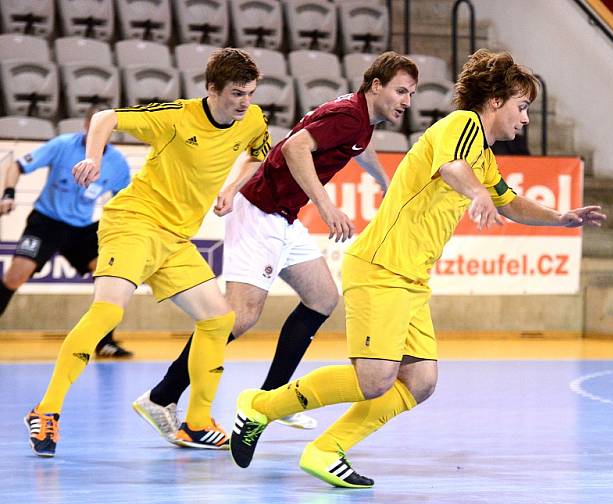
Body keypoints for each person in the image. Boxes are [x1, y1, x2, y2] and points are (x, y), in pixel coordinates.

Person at [228, 49, 606, 488]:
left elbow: (510, 201)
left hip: (410, 279)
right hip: (380, 267)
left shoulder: (483, 156)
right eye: (521, 107)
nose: (524, 119)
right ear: (496, 101)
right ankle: (260, 405)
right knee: (374, 378)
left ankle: (326, 450)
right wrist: (476, 195)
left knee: (421, 380)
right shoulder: (460, 126)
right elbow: (451, 168)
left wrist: (560, 217)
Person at [131, 51, 418, 444]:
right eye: (401, 91)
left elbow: (357, 147)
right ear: (376, 86)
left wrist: (384, 182)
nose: (406, 101)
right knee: (239, 317)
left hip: (283, 215)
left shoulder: (360, 120)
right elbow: (294, 148)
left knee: (321, 298)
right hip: (260, 211)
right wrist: (325, 204)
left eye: (411, 94)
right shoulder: (349, 115)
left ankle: (271, 400)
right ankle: (161, 397)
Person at [24, 48, 271, 457]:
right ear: (212, 89)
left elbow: (259, 154)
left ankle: (195, 422)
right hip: (135, 221)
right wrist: (93, 157)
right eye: (235, 93)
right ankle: (46, 410)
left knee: (218, 319)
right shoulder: (175, 116)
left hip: (175, 239)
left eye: (249, 92)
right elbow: (106, 118)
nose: (245, 102)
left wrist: (232, 189)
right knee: (108, 312)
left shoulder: (253, 119)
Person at [0, 108, 133, 357]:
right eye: (91, 127)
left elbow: (125, 200)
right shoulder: (62, 145)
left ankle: (104, 342)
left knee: (110, 274)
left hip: (82, 227)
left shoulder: (117, 164)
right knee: (15, 276)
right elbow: (16, 166)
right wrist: (8, 194)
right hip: (47, 221)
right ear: (85, 127)